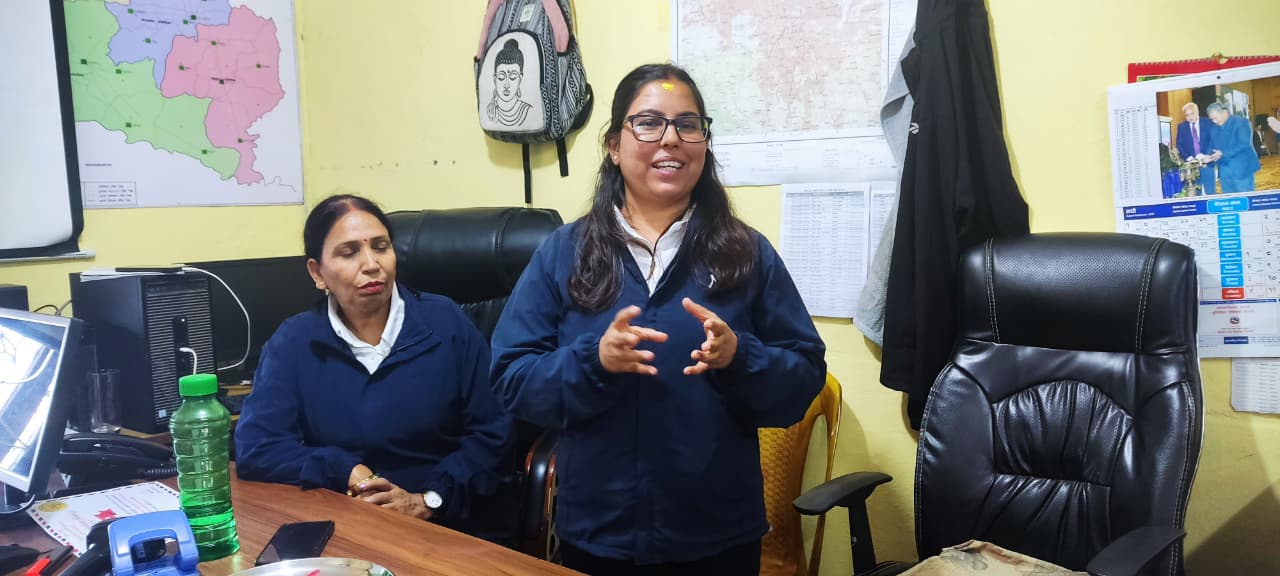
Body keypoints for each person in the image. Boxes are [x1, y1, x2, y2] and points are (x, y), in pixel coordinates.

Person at [490, 63, 827, 574]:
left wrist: (740, 357)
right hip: (600, 535)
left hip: (717, 535)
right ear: (613, 145)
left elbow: (803, 376)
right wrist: (594, 361)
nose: (670, 139)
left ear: (704, 143)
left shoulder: (745, 252)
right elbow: (511, 380)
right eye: (648, 122)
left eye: (688, 124)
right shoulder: (565, 252)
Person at [235, 194, 512, 542]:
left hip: (448, 525)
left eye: (381, 247)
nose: (371, 264)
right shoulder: (295, 341)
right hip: (346, 526)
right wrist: (342, 468)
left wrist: (428, 500)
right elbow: (257, 447)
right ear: (318, 273)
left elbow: (494, 434)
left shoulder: (445, 323)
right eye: (349, 252)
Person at [1207, 102, 1262, 193]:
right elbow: (1212, 145)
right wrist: (1208, 156)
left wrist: (1222, 153)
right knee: (1230, 199)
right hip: (1224, 170)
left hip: (1242, 168)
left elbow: (1243, 144)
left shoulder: (1241, 122)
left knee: (1245, 198)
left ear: (1224, 112)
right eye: (1212, 119)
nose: (1215, 121)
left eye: (1216, 118)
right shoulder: (1214, 129)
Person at [486, 38, 535, 128]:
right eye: (501, 77)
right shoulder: (490, 111)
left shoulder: (528, 111)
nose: (506, 85)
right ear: (495, 79)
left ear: (520, 79)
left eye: (512, 77)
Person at [1174, 102, 1215, 194]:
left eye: (1192, 113)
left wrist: (1206, 155)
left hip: (1207, 163)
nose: (1190, 117)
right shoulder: (1182, 127)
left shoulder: (1208, 123)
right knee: (1196, 193)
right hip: (1191, 167)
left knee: (1210, 192)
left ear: (1197, 112)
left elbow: (1213, 141)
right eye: (1187, 115)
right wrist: (1188, 157)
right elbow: (1179, 145)